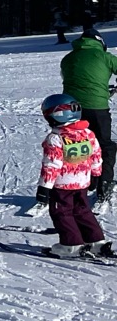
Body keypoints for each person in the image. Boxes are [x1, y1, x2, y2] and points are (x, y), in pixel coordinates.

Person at [35, 93, 109, 257]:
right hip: (82, 182)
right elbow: (96, 156)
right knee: (82, 211)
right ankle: (95, 241)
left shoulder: (56, 138)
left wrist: (44, 187)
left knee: (62, 213)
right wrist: (95, 175)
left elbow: (52, 164)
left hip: (62, 185)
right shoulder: (88, 134)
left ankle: (71, 245)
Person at [59, 26, 116, 209]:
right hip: (97, 108)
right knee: (105, 145)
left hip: (71, 109)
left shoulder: (67, 58)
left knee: (78, 145)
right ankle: (104, 186)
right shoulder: (105, 57)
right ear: (100, 43)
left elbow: (78, 81)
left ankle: (80, 184)